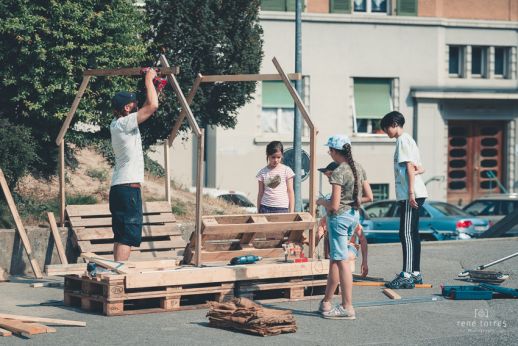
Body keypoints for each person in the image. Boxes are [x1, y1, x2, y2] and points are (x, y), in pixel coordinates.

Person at [316, 135, 373, 319]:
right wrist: (353, 201)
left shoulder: (339, 171)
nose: (329, 153)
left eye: (329, 150)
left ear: (334, 151)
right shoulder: (359, 167)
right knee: (336, 259)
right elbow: (369, 197)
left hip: (338, 219)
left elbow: (333, 205)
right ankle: (326, 302)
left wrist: (321, 201)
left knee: (342, 262)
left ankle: (347, 306)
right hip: (353, 216)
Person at [109, 68, 159, 261]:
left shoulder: (117, 124)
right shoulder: (125, 123)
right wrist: (148, 78)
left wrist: (154, 86)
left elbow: (150, 103)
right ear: (127, 108)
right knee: (128, 236)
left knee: (121, 235)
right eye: (134, 104)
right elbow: (152, 105)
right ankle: (120, 276)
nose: (138, 106)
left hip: (119, 188)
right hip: (128, 188)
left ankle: (116, 273)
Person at [380, 111, 428, 289]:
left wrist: (410, 193)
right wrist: (413, 179)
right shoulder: (409, 139)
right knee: (413, 233)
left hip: (411, 194)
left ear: (393, 124)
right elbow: (420, 168)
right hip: (416, 192)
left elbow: (409, 166)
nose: (386, 133)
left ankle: (407, 274)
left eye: (386, 129)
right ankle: (415, 273)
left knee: (405, 233)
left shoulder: (402, 140)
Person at [316, 162, 369, 272]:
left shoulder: (346, 213)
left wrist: (365, 262)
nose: (328, 180)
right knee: (337, 262)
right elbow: (319, 236)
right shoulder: (326, 219)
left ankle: (340, 284)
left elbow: (363, 239)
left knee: (343, 260)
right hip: (336, 247)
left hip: (347, 247)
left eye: (329, 176)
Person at [256, 141, 295, 213]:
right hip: (265, 207)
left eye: (278, 157)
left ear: (282, 155)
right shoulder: (262, 172)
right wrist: (258, 209)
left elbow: (290, 191)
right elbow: (260, 192)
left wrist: (291, 211)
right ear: (268, 155)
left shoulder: (287, 170)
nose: (276, 160)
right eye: (273, 157)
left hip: (281, 208)